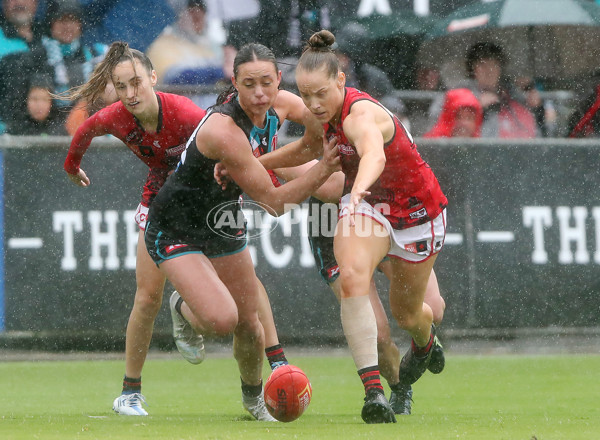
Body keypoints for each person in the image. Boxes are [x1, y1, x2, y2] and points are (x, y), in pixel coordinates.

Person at [258, 29, 447, 424]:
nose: (313, 104)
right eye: (305, 95)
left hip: (414, 213)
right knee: (353, 278)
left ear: (341, 80)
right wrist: (253, 164)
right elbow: (311, 148)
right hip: (369, 210)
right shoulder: (319, 115)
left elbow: (373, 156)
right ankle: (374, 392)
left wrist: (358, 186)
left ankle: (424, 342)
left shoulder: (361, 115)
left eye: (320, 94)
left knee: (415, 314)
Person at [143, 42, 339, 421]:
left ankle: (253, 399)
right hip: (174, 226)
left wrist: (329, 134)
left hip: (222, 219)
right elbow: (274, 203)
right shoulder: (224, 131)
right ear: (234, 83)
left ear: (279, 80)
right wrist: (324, 165)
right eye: (250, 84)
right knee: (223, 320)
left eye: (267, 82)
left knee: (251, 325)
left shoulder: (281, 103)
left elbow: (318, 125)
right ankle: (183, 307)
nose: (260, 93)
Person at [62, 42, 209, 417]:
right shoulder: (114, 116)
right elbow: (83, 133)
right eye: (121, 85)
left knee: (228, 305)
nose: (130, 94)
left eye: (136, 83)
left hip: (202, 203)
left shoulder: (187, 114)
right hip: (157, 203)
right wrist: (71, 167)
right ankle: (129, 393)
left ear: (153, 79)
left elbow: (226, 147)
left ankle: (263, 378)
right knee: (146, 298)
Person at [463, 42, 540, 139]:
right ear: (473, 69)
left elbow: (536, 131)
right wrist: (475, 107)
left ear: (500, 68)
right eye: (482, 65)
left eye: (493, 64)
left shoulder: (513, 95)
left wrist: (538, 107)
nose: (489, 70)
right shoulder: (461, 93)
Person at [146, 0, 227, 86]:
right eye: (192, 14)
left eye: (201, 15)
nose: (198, 21)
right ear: (179, 16)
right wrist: (221, 72)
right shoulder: (162, 45)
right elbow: (172, 79)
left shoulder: (208, 46)